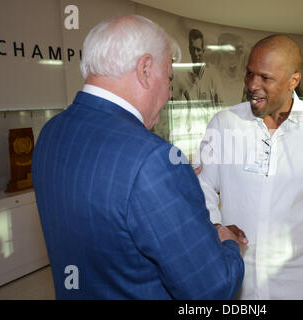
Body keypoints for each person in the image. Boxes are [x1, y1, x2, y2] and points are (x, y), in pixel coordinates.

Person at [32, 15, 245, 300]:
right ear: (145, 69)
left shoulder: (50, 133)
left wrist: (168, 192)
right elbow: (212, 290)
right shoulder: (153, 161)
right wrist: (228, 243)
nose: (170, 92)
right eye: (168, 77)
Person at [196, 34, 303, 300]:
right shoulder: (224, 124)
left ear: (293, 81)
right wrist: (216, 228)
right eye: (249, 74)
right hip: (233, 281)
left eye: (265, 78)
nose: (253, 85)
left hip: (297, 283)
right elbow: (201, 186)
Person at [170, 29, 225, 164]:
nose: (196, 54)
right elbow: (173, 106)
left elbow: (222, 108)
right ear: (189, 49)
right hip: (190, 139)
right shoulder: (183, 77)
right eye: (193, 49)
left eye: (199, 50)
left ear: (203, 50)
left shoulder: (213, 76)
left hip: (210, 139)